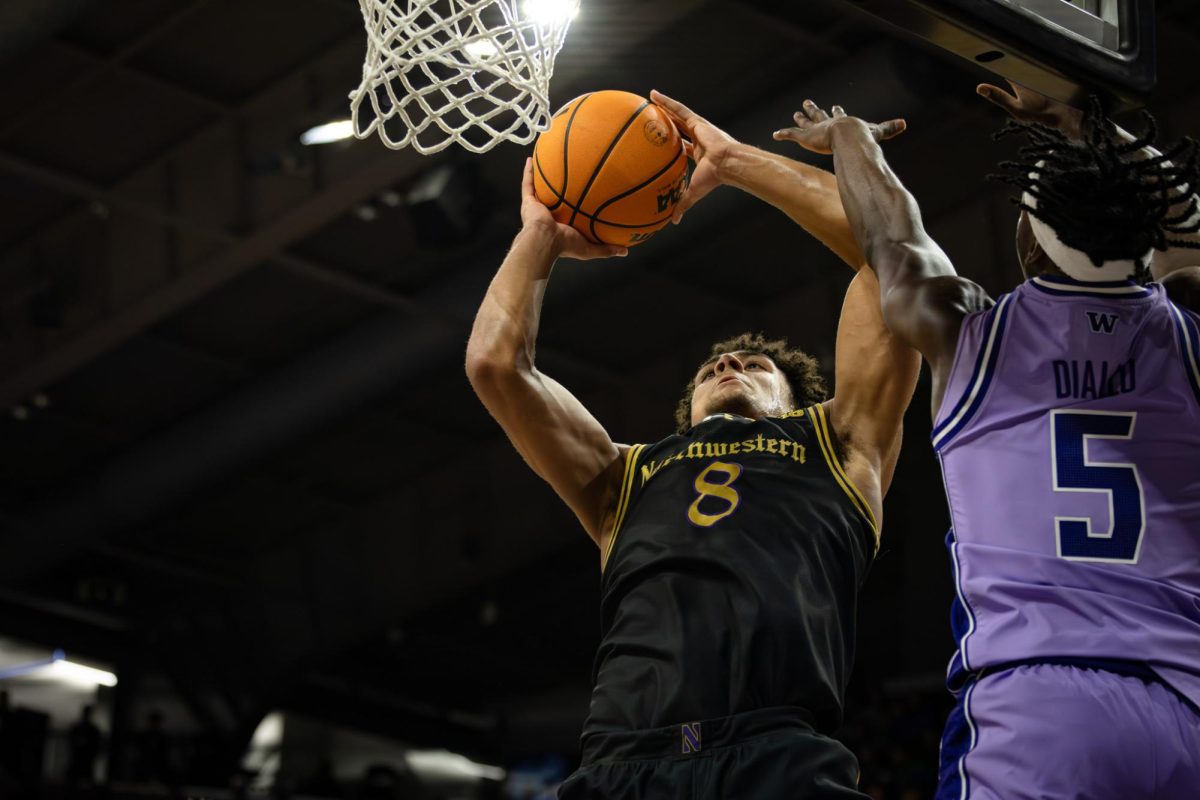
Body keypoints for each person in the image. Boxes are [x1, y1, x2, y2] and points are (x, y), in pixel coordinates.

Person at [466, 90, 920, 799]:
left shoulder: (841, 442)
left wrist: (733, 161)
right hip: (621, 764)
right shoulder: (625, 477)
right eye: (713, 367)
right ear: (687, 413)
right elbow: (496, 365)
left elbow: (888, 260)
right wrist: (541, 235)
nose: (728, 365)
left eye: (754, 365)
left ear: (796, 402)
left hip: (776, 757)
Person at [774, 85, 1200, 799]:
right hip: (1187, 707)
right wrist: (1094, 128)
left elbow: (891, 236)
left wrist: (852, 138)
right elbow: (1186, 232)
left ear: (1031, 236)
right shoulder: (1188, 328)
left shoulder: (966, 326)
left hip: (1038, 705)